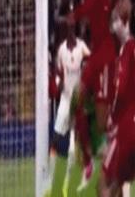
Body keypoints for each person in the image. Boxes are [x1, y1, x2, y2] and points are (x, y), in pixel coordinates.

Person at [67, 0, 116, 190]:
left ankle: (111, 160)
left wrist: (76, 15)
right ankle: (89, 162)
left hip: (105, 54)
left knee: (101, 120)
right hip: (98, 52)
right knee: (78, 101)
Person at [99, 3, 135, 197]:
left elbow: (121, 88)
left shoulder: (128, 49)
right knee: (117, 188)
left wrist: (112, 118)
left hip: (125, 128)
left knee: (102, 184)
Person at [45, 20, 90, 197]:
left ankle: (71, 182)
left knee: (75, 145)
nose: (71, 30)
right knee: (56, 138)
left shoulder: (82, 47)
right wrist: (59, 82)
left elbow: (91, 63)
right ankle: (48, 177)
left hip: (78, 100)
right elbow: (58, 72)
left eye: (73, 27)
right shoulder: (61, 50)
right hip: (65, 98)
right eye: (68, 28)